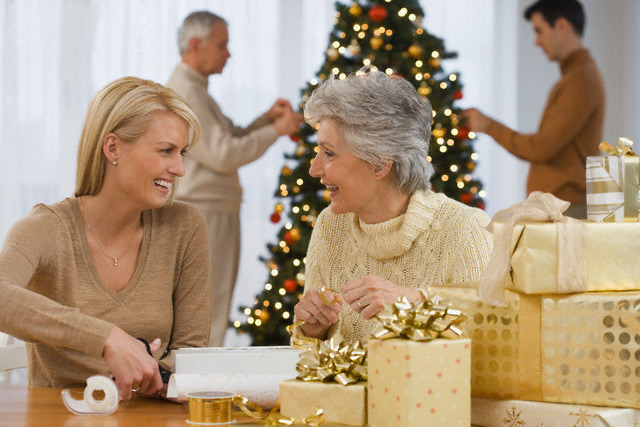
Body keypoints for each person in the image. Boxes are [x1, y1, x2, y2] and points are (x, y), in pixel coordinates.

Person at [0, 77, 212, 400]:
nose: (180, 169)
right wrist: (107, 339)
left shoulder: (185, 227)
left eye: (182, 152)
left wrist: (150, 370)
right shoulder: (45, 228)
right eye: (166, 151)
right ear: (113, 147)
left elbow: (192, 353)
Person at [292, 67, 494, 344]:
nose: (314, 169)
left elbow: (488, 346)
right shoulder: (331, 225)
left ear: (379, 165)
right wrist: (313, 330)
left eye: (329, 153)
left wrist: (414, 303)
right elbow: (310, 365)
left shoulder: (466, 230)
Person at [167, 11, 304, 346]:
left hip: (211, 209)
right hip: (206, 211)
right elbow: (223, 154)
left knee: (212, 301)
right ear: (196, 45)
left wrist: (264, 121)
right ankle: (199, 388)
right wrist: (276, 130)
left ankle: (199, 383)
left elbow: (225, 136)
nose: (228, 53)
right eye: (222, 45)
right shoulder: (187, 92)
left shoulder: (194, 90)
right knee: (209, 304)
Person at [462, 0, 605, 219]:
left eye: (539, 31)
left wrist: (489, 125)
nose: (537, 41)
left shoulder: (580, 80)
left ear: (562, 26)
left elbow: (541, 148)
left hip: (568, 212)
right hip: (564, 209)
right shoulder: (576, 77)